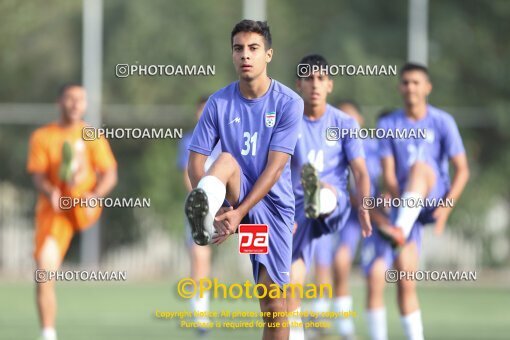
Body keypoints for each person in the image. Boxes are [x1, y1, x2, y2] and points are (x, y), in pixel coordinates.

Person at [184, 20, 304, 340]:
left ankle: (213, 213)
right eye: (239, 49)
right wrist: (226, 209)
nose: (245, 55)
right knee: (224, 160)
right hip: (236, 199)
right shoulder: (218, 102)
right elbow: (195, 163)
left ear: (268, 55)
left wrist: (239, 215)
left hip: (273, 206)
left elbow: (276, 169)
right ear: (232, 55)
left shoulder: (288, 102)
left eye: (253, 48)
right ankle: (206, 215)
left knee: (272, 302)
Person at [362, 63, 469, 340]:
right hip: (404, 207)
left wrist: (445, 210)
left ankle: (399, 228)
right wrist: (395, 202)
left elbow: (462, 170)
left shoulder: (442, 122)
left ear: (428, 87)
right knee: (403, 281)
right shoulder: (388, 124)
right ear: (399, 87)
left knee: (420, 168)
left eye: (416, 82)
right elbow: (388, 175)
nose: (411, 87)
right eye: (406, 82)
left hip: (433, 201)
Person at [287, 55, 372, 340]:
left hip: (334, 203)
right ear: (299, 84)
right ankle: (297, 333)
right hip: (296, 207)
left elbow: (360, 171)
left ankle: (318, 194)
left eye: (320, 79)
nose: (315, 85)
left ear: (330, 85)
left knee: (327, 192)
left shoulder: (345, 122)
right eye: (308, 79)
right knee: (291, 276)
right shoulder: (287, 121)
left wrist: (364, 206)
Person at [27, 84, 117, 340]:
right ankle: (48, 334)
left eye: (81, 99)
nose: (76, 104)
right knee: (44, 270)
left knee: (78, 164)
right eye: (70, 99)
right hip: (55, 211)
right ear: (59, 102)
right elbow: (38, 175)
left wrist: (95, 196)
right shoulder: (43, 136)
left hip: (84, 203)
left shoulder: (91, 134)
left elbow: (110, 173)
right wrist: (49, 192)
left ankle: (75, 171)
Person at [177, 96, 221, 332]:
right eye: (200, 111)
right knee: (200, 257)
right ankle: (201, 313)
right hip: (201, 207)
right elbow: (187, 173)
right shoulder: (189, 141)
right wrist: (202, 201)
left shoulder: (227, 137)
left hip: (230, 208)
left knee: (257, 250)